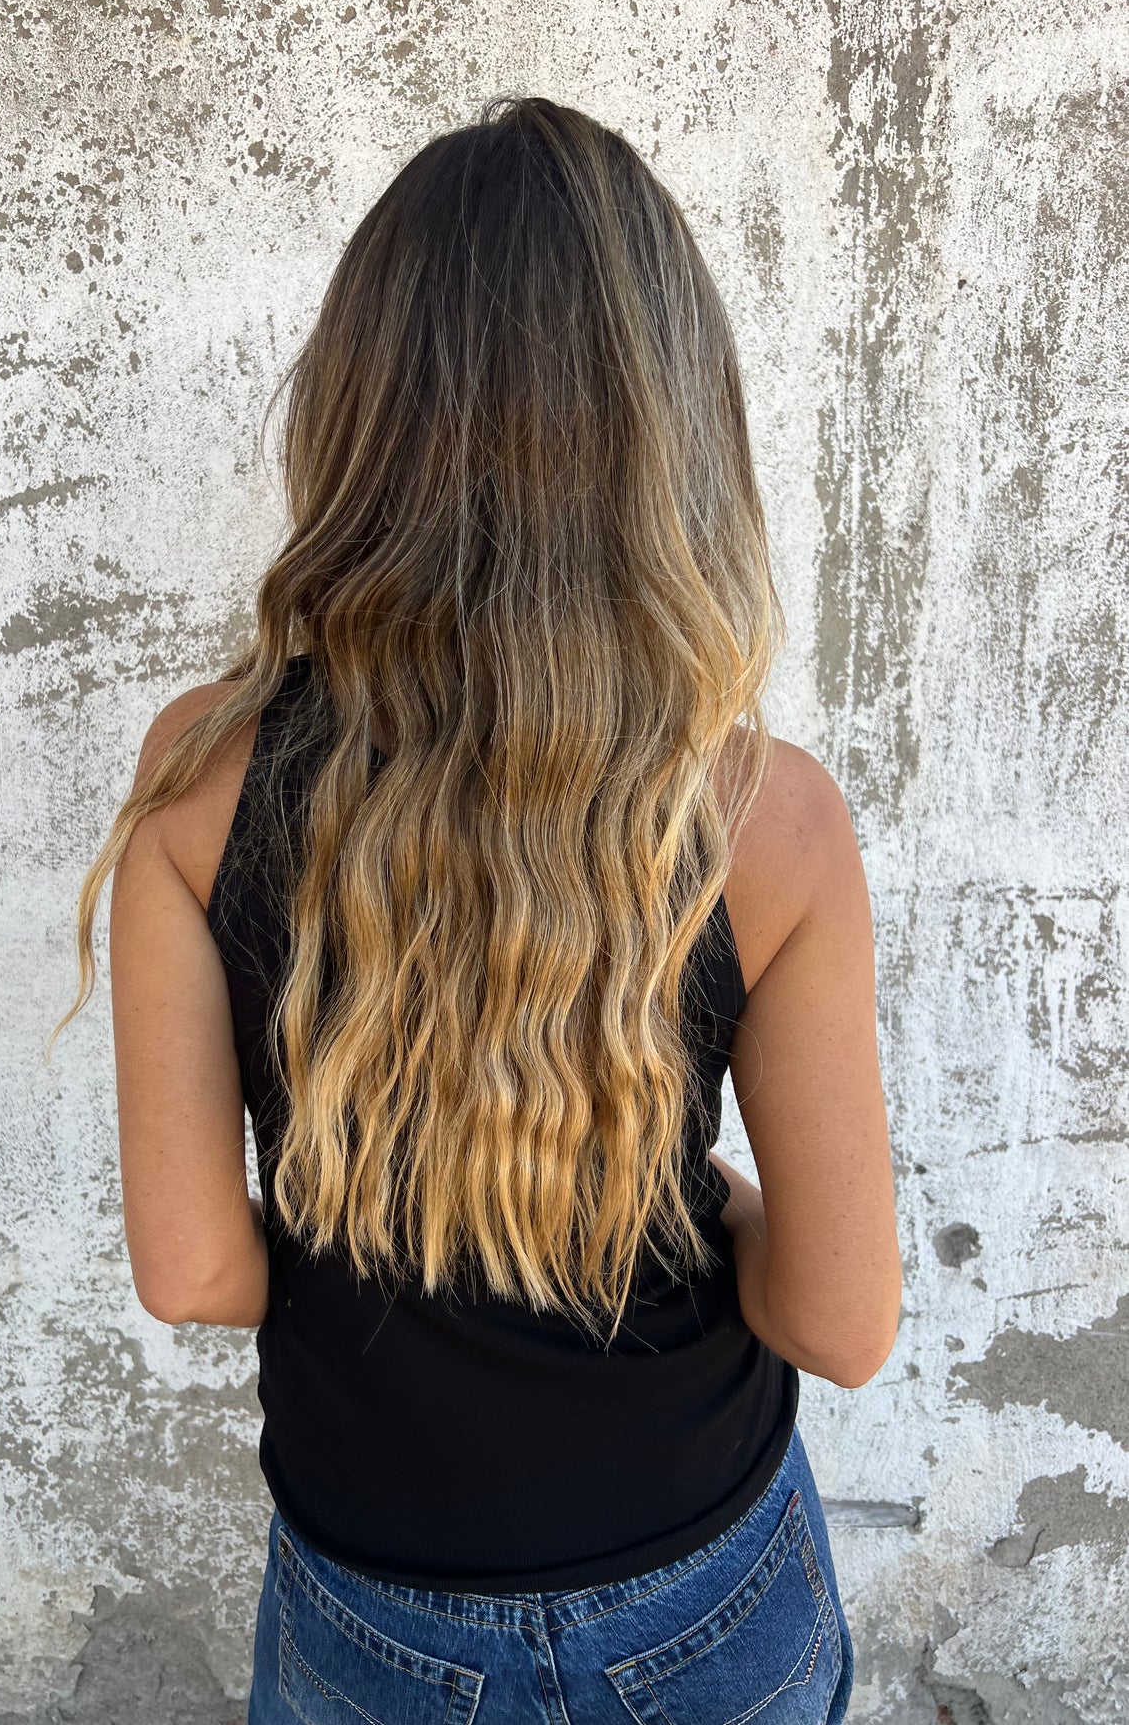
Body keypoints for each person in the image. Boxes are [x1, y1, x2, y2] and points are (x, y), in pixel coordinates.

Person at [51, 95, 901, 1724]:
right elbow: (840, 1324)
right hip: (702, 1596)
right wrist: (711, 1204)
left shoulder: (201, 775)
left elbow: (194, 1273)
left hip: (371, 1604)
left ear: (356, 412)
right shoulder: (763, 816)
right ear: (673, 427)